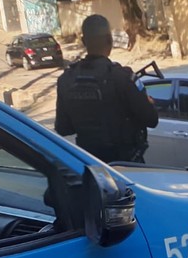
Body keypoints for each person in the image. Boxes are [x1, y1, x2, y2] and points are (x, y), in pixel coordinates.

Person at [55, 14, 158, 163]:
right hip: (126, 167)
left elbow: (63, 128)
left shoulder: (66, 80)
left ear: (84, 42)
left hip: (92, 168)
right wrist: (148, 104)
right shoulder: (122, 77)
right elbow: (152, 119)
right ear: (110, 40)